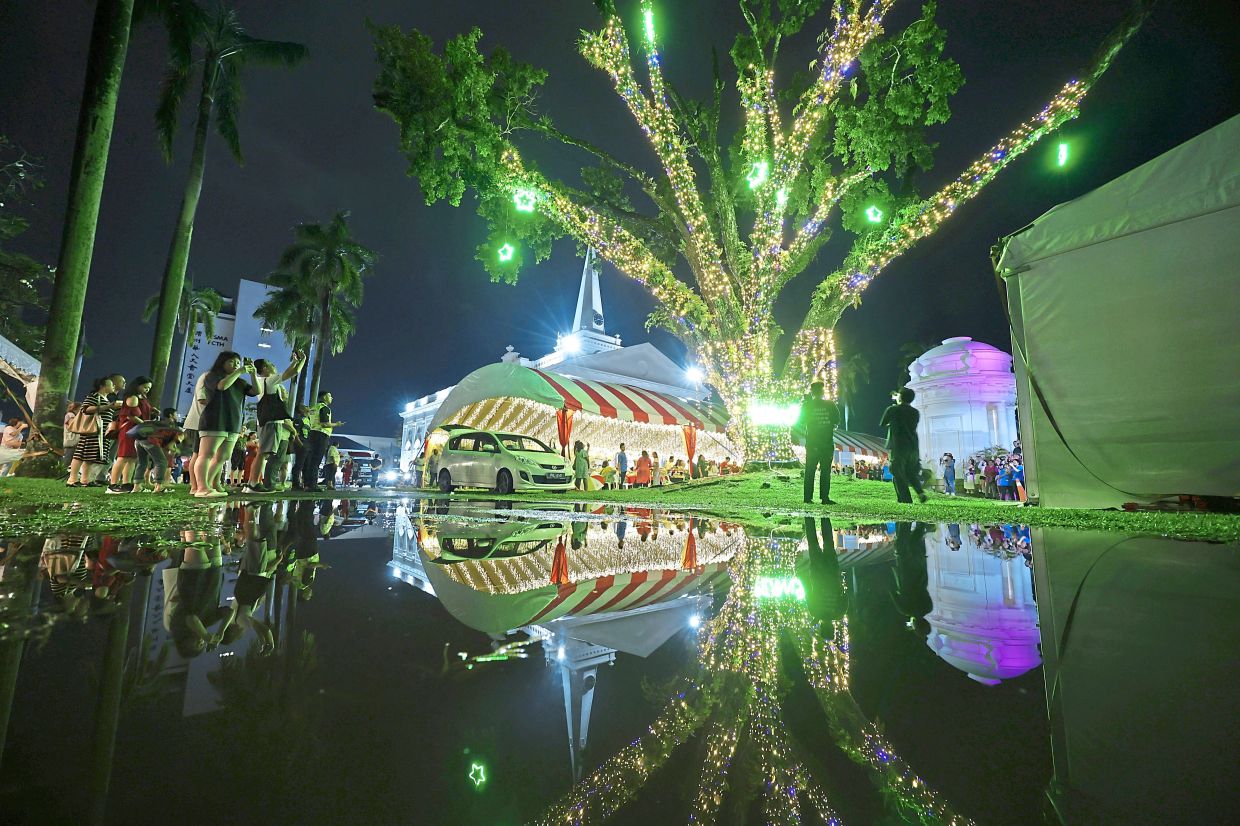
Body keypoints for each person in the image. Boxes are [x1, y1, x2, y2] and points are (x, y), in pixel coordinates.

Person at [193, 351, 258, 498]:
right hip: (214, 420)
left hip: (232, 423)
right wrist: (240, 371)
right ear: (222, 362)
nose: (236, 365)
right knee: (206, 454)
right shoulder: (211, 376)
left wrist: (253, 373)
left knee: (223, 456)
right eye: (231, 362)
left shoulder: (240, 382)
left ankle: (209, 485)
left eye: (237, 363)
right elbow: (222, 386)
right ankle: (201, 488)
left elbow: (256, 391)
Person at [247, 352, 305, 493]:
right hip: (271, 422)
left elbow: (290, 372)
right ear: (265, 369)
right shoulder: (269, 380)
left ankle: (252, 482)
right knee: (262, 454)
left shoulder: (263, 381)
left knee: (263, 453)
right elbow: (292, 373)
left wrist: (296, 362)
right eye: (270, 364)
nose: (273, 366)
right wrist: (301, 361)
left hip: (268, 421)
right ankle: (253, 484)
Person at [793, 380, 842, 505]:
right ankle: (824, 498)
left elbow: (801, 421)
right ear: (822, 391)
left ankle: (807, 498)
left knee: (810, 470)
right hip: (826, 442)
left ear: (812, 391)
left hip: (813, 443)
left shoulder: (808, 405)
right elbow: (837, 420)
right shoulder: (830, 404)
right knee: (825, 471)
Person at [68, 376, 118, 487]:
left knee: (90, 457)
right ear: (102, 386)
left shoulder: (106, 399)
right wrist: (107, 407)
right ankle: (72, 479)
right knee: (81, 454)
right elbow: (85, 409)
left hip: (101, 433)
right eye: (111, 384)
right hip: (92, 431)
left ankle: (85, 480)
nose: (113, 386)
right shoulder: (94, 396)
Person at [879, 388, 927, 504]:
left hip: (898, 446)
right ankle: (920, 493)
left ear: (900, 397)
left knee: (897, 472)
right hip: (913, 446)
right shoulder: (915, 412)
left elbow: (882, 423)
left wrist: (895, 406)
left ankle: (906, 500)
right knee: (910, 472)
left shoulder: (893, 409)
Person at [108, 376, 154, 493]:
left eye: (149, 388)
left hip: (137, 430)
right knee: (123, 457)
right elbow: (131, 416)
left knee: (132, 458)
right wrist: (144, 424)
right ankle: (112, 485)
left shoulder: (141, 397)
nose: (147, 390)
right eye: (145, 387)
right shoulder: (132, 397)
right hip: (130, 430)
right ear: (137, 385)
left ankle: (126, 483)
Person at [300, 392, 343, 493]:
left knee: (310, 460)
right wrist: (336, 424)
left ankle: (307, 484)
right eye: (329, 396)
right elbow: (324, 424)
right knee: (316, 461)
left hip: (312, 434)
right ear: (324, 397)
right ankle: (313, 485)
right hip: (321, 435)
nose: (331, 397)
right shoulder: (325, 408)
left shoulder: (314, 408)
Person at [133, 408, 183, 494]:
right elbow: (171, 445)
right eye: (175, 414)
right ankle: (158, 486)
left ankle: (136, 486)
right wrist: (176, 445)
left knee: (142, 462)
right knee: (162, 462)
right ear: (171, 415)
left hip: (139, 439)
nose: (176, 416)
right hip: (151, 440)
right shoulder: (172, 426)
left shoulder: (160, 422)